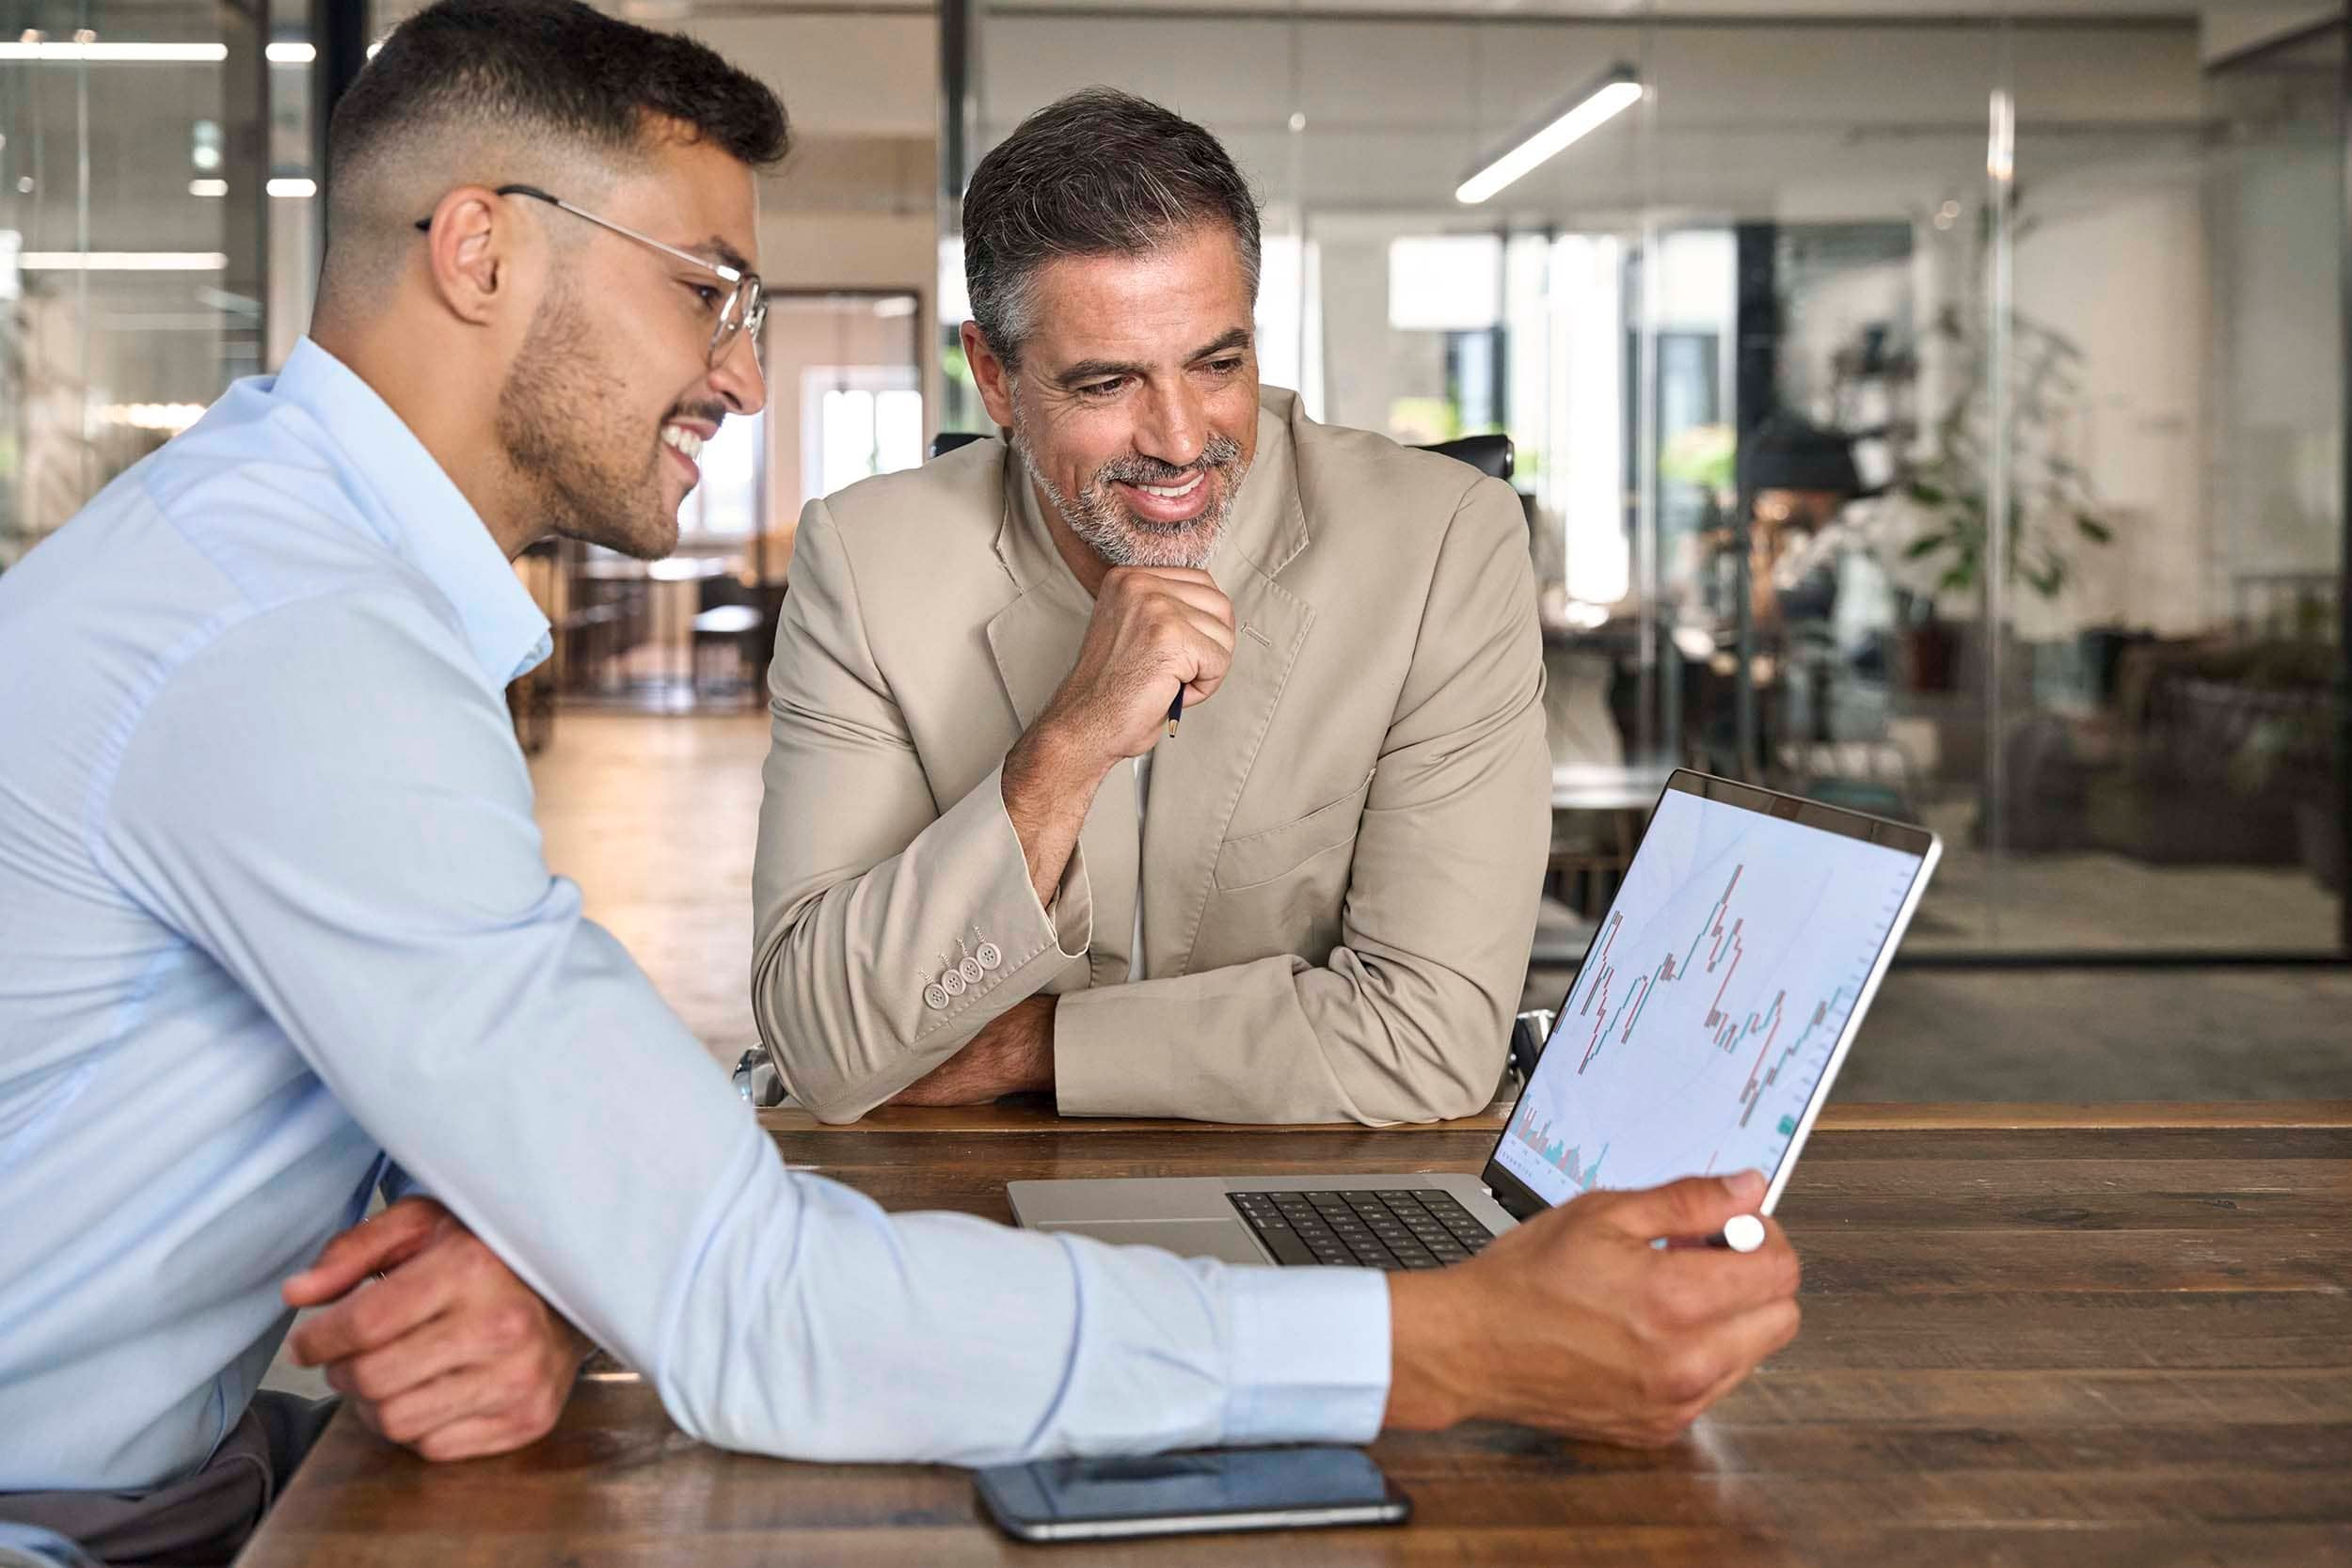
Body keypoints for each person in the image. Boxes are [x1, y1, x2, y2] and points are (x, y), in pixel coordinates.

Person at [0, 6, 1800, 1560]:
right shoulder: (295, 646)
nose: (741, 372)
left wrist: (540, 1244)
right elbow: (753, 1300)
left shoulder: (290, 581)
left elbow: (441, 1100)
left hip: (185, 1464)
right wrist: (1455, 1347)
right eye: (705, 290)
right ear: (479, 252)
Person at [752, 89, 1552, 1126]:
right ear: (993, 377)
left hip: (1310, 1184)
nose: (1179, 441)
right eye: (1105, 384)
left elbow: (1431, 1041)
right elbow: (817, 1040)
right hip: (959, 1185)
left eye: (1217, 364)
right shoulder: (865, 561)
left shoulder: (1444, 544)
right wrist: (1068, 745)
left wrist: (1036, 1046)